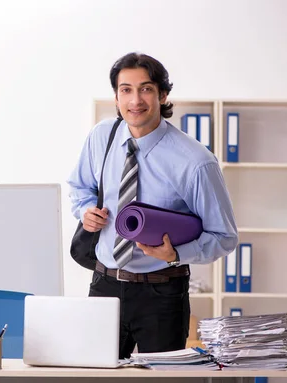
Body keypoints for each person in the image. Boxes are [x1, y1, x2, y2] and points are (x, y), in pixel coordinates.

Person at [66, 52, 238, 359]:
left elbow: (224, 236)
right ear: (116, 97)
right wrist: (86, 210)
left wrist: (176, 254)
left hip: (161, 294)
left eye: (145, 89)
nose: (135, 100)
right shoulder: (102, 136)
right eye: (126, 90)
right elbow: (80, 187)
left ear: (162, 94)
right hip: (104, 287)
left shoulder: (196, 162)